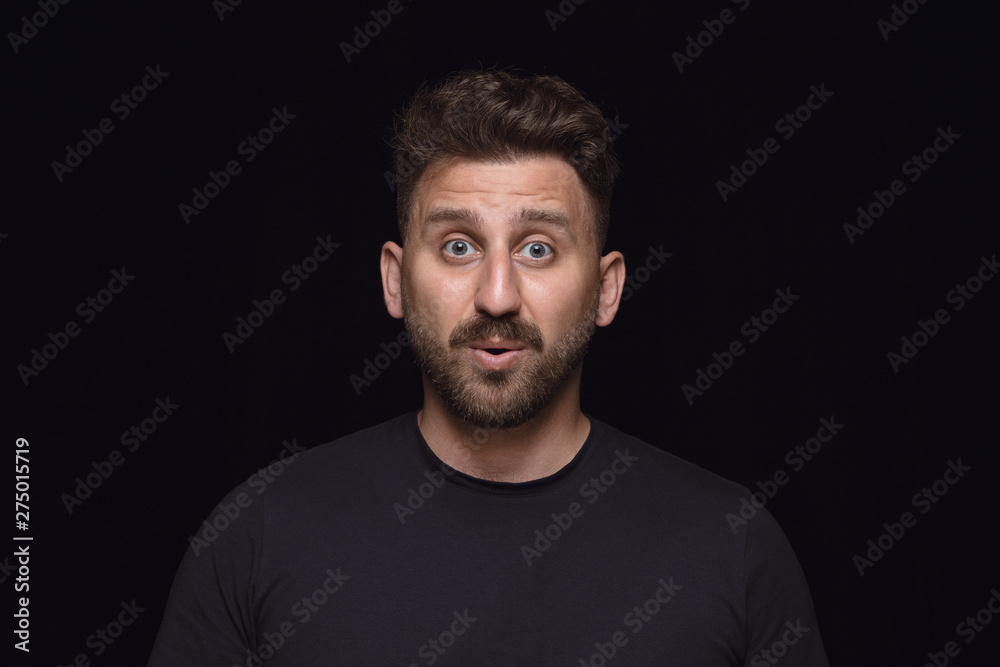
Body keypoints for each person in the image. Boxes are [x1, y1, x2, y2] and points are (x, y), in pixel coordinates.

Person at [147, 69, 829, 666]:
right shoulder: (258, 534)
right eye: (457, 246)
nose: (497, 295)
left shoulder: (732, 548)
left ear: (606, 287)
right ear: (394, 279)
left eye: (537, 249)